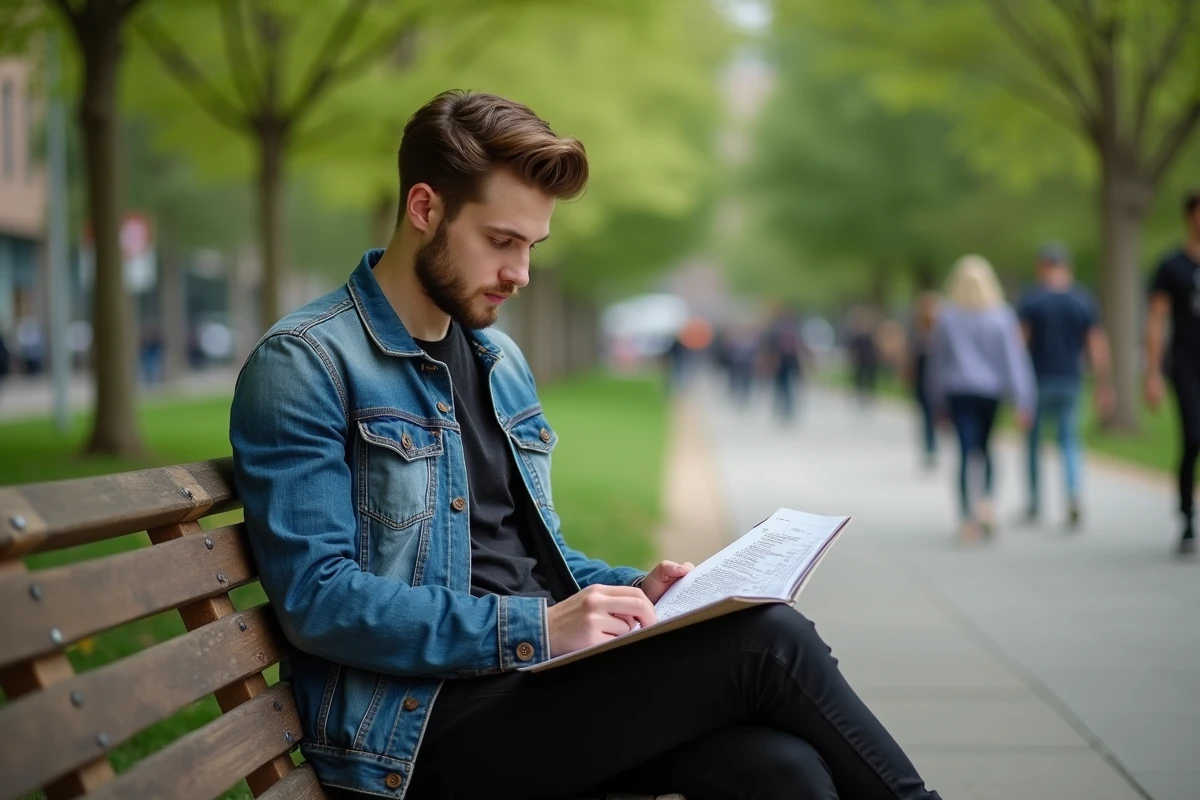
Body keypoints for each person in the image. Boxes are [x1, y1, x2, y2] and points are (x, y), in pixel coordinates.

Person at [230, 90, 942, 800]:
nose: (521, 273)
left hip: (532, 689)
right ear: (424, 209)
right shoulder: (307, 364)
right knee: (767, 641)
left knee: (778, 770)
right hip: (417, 730)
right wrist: (540, 628)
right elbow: (319, 600)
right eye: (501, 241)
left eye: (532, 247)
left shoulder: (497, 361)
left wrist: (638, 591)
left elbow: (529, 552)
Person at [926, 255, 1036, 543]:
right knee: (986, 450)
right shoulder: (1001, 315)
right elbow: (1013, 360)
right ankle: (986, 504)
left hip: (959, 391)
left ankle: (967, 519)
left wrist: (934, 399)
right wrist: (1023, 398)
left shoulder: (948, 316)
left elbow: (938, 361)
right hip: (990, 392)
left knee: (965, 452)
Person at [1016, 243, 1113, 529]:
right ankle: (1072, 494)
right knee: (1069, 440)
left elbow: (1019, 344)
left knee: (1033, 443)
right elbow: (1096, 345)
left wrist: (1015, 384)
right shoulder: (1082, 300)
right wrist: (1103, 384)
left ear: (1042, 266)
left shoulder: (1032, 300)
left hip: (1037, 381)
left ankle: (1035, 504)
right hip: (1071, 380)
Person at [1144, 188, 1200, 557]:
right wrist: (1151, 372)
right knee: (1193, 435)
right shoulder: (1172, 266)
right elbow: (1157, 318)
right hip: (1186, 362)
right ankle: (1186, 517)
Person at [905, 292, 940, 470]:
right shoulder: (916, 330)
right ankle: (929, 446)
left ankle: (932, 445)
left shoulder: (942, 331)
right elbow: (911, 357)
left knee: (933, 415)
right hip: (921, 380)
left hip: (937, 382)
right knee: (925, 415)